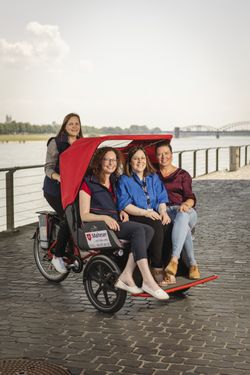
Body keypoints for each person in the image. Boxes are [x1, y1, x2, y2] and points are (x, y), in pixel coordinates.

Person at [79, 146, 169, 300]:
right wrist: (104, 218)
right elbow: (84, 215)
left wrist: (122, 211)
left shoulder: (115, 181)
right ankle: (148, 281)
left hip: (116, 223)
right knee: (141, 230)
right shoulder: (88, 183)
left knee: (148, 229)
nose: (110, 163)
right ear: (100, 161)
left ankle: (127, 273)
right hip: (100, 226)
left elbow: (118, 203)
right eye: (107, 159)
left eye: (113, 160)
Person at [116, 146, 174, 285]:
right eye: (136, 158)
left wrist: (163, 212)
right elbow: (125, 204)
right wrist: (145, 213)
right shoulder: (124, 180)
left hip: (154, 213)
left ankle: (167, 265)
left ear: (146, 160)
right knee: (156, 225)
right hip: (136, 214)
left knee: (168, 224)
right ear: (130, 162)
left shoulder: (153, 177)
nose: (140, 161)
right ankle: (156, 267)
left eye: (142, 158)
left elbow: (161, 198)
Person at [43, 113, 83, 274]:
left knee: (83, 215)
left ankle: (73, 247)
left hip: (73, 189)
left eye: (77, 124)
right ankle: (57, 256)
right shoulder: (56, 142)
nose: (74, 126)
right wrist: (58, 177)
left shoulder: (82, 143)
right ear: (64, 126)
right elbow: (48, 167)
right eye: (71, 124)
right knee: (69, 218)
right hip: (55, 190)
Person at [155, 140, 200, 279]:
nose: (163, 157)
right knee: (184, 228)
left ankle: (174, 259)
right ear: (156, 157)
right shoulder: (153, 176)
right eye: (160, 154)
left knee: (183, 216)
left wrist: (186, 204)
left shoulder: (183, 174)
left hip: (185, 210)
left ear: (172, 155)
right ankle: (193, 265)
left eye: (166, 153)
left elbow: (190, 197)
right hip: (166, 212)